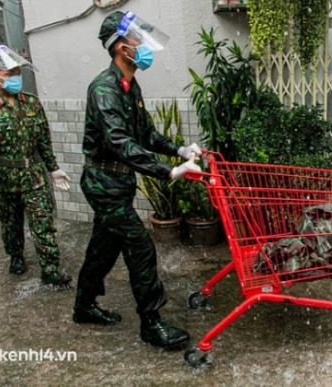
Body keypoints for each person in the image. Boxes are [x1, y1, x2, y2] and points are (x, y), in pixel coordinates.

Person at [73, 11, 202, 351]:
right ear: (120, 47)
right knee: (140, 246)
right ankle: (151, 323)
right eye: (136, 40)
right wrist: (167, 171)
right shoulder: (104, 88)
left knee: (104, 246)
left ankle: (83, 306)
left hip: (118, 182)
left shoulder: (130, 86)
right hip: (103, 183)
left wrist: (178, 149)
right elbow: (119, 142)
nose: (142, 45)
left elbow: (144, 133)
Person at [0, 45, 73, 287]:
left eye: (18, 72)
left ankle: (50, 268)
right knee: (11, 224)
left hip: (34, 175)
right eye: (11, 73)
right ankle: (16, 256)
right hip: (3, 177)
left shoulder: (31, 103)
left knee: (43, 221)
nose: (16, 77)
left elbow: (43, 139)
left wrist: (53, 168)